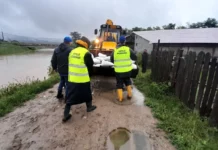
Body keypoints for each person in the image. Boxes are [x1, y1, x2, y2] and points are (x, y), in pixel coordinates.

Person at [62, 36, 97, 122]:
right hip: (83, 79)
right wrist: (91, 75)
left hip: (72, 79)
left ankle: (66, 114)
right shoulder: (86, 53)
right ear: (86, 45)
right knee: (87, 94)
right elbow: (90, 66)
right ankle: (89, 107)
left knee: (70, 96)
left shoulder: (72, 52)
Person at [110, 36, 137, 102]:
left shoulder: (115, 50)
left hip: (119, 71)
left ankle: (120, 98)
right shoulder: (128, 49)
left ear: (119, 42)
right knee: (128, 82)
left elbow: (111, 60)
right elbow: (135, 57)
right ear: (125, 42)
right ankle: (129, 95)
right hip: (128, 71)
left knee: (119, 84)